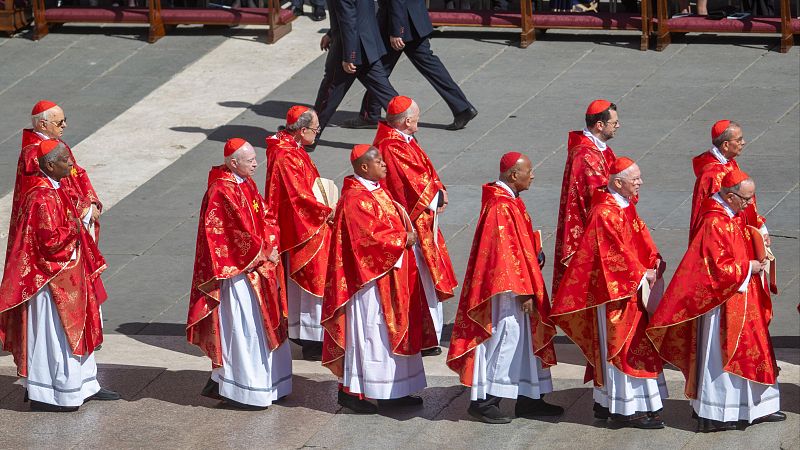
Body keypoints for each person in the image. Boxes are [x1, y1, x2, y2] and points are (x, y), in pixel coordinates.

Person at [647, 170, 785, 432]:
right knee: (720, 357)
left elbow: (746, 232)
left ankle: (757, 407)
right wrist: (749, 267)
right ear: (730, 197)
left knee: (755, 348)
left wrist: (759, 238)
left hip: (744, 295)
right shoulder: (714, 221)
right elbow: (715, 268)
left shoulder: (733, 212)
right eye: (746, 199)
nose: (749, 204)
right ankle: (717, 414)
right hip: (721, 302)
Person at [0, 139, 118, 412]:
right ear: (50, 166)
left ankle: (84, 385)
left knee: (76, 333)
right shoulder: (40, 197)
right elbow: (50, 242)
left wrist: (83, 214)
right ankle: (50, 393)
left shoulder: (56, 187)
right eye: (66, 160)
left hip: (71, 274)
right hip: (51, 281)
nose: (71, 164)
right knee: (54, 336)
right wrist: (76, 226)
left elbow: (72, 212)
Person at [550, 157, 667, 429]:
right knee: (623, 348)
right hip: (616, 295)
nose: (640, 183)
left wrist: (654, 260)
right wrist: (641, 273)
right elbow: (610, 256)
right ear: (618, 182)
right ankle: (627, 409)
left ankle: (606, 402)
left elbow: (640, 239)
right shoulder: (604, 213)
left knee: (634, 346)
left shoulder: (624, 205)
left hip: (632, 290)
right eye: (635, 179)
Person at [447, 152, 563, 424]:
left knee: (525, 341)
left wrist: (535, 252)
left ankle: (530, 398)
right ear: (513, 175)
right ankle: (485, 402)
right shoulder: (500, 206)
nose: (533, 176)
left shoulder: (509, 200)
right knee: (507, 338)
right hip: (508, 291)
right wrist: (523, 290)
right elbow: (504, 254)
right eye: (528, 171)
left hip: (520, 282)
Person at [321, 144, 427, 414]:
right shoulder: (354, 198)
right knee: (372, 334)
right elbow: (366, 240)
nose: (384, 164)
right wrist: (403, 238)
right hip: (368, 282)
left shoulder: (377, 190)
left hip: (390, 274)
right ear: (364, 167)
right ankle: (353, 393)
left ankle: (395, 390)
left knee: (389, 333)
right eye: (379, 161)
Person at [188, 138, 291, 410]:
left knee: (261, 326)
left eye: (255, 159)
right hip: (237, 274)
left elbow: (265, 214)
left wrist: (271, 243)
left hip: (259, 266)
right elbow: (231, 235)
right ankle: (243, 390)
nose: (256, 164)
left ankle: (270, 383)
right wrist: (263, 252)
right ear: (233, 163)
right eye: (250, 160)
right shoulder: (221, 191)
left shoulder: (246, 182)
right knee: (243, 329)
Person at [372, 96, 458, 355]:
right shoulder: (392, 146)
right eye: (417, 118)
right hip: (410, 222)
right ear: (407, 121)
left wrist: (439, 188)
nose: (419, 122)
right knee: (418, 276)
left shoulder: (404, 139)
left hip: (423, 218)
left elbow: (425, 170)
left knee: (427, 277)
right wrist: (435, 195)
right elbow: (410, 181)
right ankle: (423, 335)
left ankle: (431, 333)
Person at [342, 0, 477, 131]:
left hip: (400, 21)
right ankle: (463, 108)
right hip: (410, 18)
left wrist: (397, 31)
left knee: (378, 70)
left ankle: (370, 115)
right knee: (427, 67)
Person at [265, 105, 333, 361]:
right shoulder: (286, 155)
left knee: (309, 281)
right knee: (311, 278)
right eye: (316, 128)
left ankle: (309, 333)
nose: (318, 132)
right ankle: (311, 338)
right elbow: (298, 197)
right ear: (302, 130)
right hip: (303, 227)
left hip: (303, 223)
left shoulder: (290, 147)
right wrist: (326, 211)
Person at [7, 100, 102, 264]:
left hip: (72, 211)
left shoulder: (56, 143)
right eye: (59, 122)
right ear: (43, 124)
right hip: (54, 221)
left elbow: (77, 173)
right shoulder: (34, 154)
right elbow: (56, 188)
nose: (64, 125)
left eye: (65, 120)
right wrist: (85, 209)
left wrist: (91, 200)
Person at [552, 99, 618, 296]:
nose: (618, 126)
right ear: (600, 125)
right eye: (614, 123)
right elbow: (598, 193)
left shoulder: (599, 149)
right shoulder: (585, 155)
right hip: (588, 228)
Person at [312, 0, 398, 148]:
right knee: (385, 93)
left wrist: (350, 56)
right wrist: (331, 33)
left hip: (351, 48)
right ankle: (407, 132)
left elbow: (348, 19)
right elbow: (353, 12)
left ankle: (308, 135)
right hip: (367, 44)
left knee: (328, 93)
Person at [689, 120, 767, 242]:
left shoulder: (728, 161)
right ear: (725, 145)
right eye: (739, 140)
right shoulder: (714, 175)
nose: (743, 142)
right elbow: (726, 210)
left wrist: (760, 227)